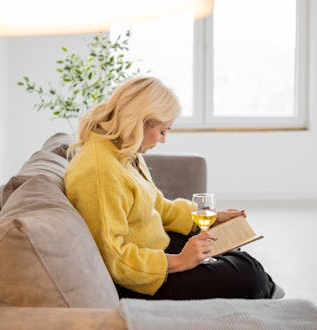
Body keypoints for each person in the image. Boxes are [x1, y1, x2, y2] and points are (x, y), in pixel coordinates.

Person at [64, 76, 282, 300]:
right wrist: (179, 261)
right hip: (142, 280)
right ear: (139, 122)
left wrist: (208, 218)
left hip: (156, 248)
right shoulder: (100, 172)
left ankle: (264, 291)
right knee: (248, 273)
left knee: (229, 248)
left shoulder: (123, 153)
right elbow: (115, 260)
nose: (163, 140)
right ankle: (265, 293)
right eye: (162, 131)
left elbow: (157, 206)